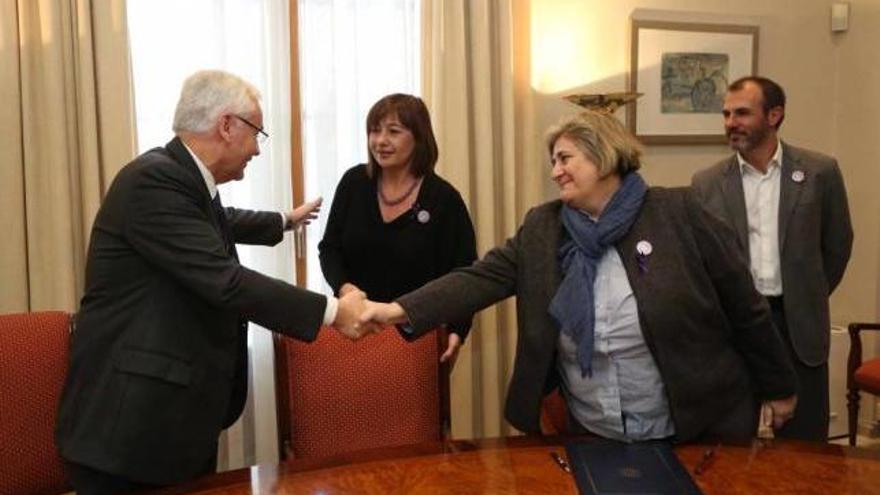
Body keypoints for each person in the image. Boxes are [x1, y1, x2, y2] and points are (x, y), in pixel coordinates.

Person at [362, 110, 798, 444]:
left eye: (565, 158)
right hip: (592, 428)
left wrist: (779, 388)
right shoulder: (544, 228)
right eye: (554, 161)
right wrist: (397, 310)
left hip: (692, 427)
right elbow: (478, 279)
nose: (555, 171)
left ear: (604, 156)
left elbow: (746, 306)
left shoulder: (679, 213)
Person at [55, 70, 367, 494]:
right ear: (226, 125)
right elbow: (227, 282)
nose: (257, 149)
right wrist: (332, 312)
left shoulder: (181, 178)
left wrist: (282, 221)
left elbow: (220, 223)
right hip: (129, 432)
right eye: (257, 132)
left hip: (170, 420)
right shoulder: (154, 181)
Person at [691, 76, 853, 442]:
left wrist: (806, 293)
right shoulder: (707, 183)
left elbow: (837, 245)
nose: (731, 122)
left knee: (805, 445)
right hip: (736, 326)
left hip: (797, 325)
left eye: (742, 113)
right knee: (731, 442)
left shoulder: (819, 172)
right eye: (727, 113)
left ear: (774, 115)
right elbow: (704, 258)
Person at [319, 93, 477, 362]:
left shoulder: (443, 199)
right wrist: (346, 290)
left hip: (418, 336)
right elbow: (330, 249)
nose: (380, 141)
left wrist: (458, 329)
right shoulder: (354, 182)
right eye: (374, 131)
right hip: (355, 328)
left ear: (418, 137)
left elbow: (464, 274)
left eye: (393, 131)